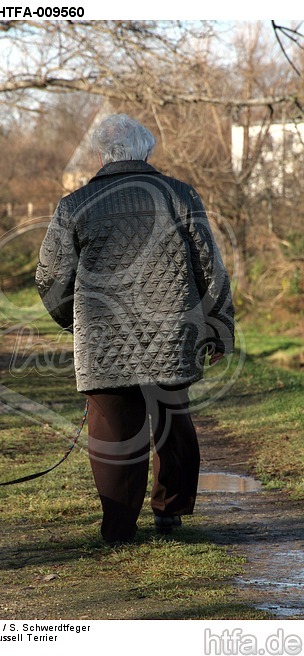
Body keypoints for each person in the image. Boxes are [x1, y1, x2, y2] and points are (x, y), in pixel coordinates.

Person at [35, 113, 234, 545]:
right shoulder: (180, 195)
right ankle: (170, 511)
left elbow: (50, 277)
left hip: (103, 337)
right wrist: (219, 326)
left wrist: (73, 319)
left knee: (112, 433)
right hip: (171, 332)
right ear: (146, 152)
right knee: (171, 420)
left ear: (103, 155)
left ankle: (119, 529)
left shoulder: (73, 205)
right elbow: (209, 268)